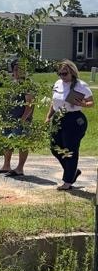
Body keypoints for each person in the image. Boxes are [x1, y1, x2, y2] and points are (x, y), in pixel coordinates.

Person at [47, 59, 94, 190]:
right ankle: (72, 172)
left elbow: (91, 102)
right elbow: (54, 102)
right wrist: (48, 116)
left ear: (72, 72)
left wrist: (82, 104)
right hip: (58, 118)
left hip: (74, 119)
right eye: (60, 73)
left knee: (70, 150)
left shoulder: (81, 85)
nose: (62, 76)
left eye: (65, 73)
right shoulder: (58, 83)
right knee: (54, 147)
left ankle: (67, 181)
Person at [0, 60, 33, 177]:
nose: (18, 72)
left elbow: (30, 104)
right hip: (8, 120)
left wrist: (22, 120)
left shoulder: (27, 85)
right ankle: (6, 166)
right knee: (7, 142)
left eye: (21, 69)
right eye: (16, 69)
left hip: (21, 120)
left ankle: (20, 168)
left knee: (22, 143)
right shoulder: (13, 84)